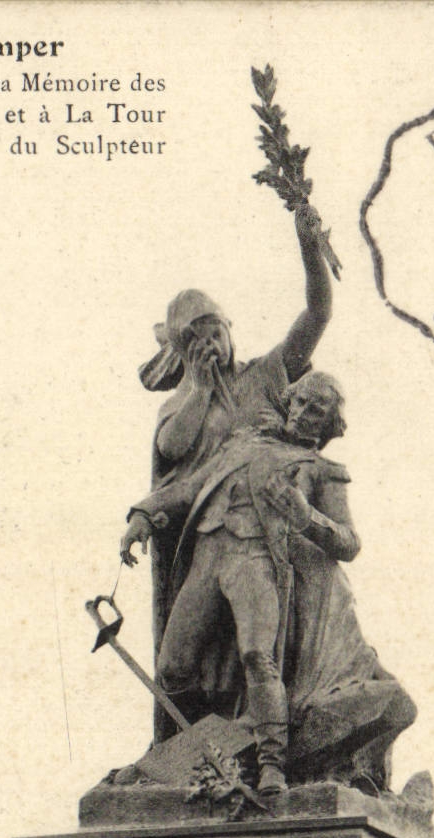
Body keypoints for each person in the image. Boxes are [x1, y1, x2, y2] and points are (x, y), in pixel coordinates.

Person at [119, 373, 415, 799]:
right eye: (302, 402)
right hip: (208, 555)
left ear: (329, 426)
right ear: (289, 401)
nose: (305, 414)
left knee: (259, 657)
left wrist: (304, 516)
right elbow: (186, 489)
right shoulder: (240, 445)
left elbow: (349, 543)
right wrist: (142, 516)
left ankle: (271, 764)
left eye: (318, 411)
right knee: (172, 667)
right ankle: (194, 753)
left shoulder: (323, 471)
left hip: (257, 562)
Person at [131, 203, 335, 736]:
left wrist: (310, 245)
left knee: (256, 656)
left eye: (213, 329)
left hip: (265, 545)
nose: (208, 343)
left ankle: (263, 752)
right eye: (193, 338)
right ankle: (191, 751)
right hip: (198, 544)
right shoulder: (180, 404)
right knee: (181, 665)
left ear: (229, 328)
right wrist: (198, 389)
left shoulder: (265, 377)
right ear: (181, 350)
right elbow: (174, 454)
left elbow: (316, 315)